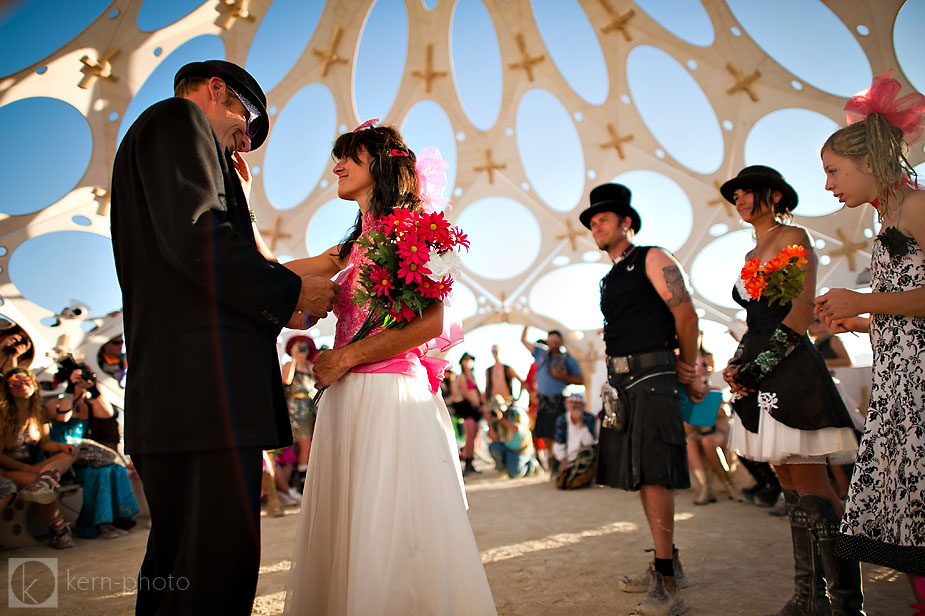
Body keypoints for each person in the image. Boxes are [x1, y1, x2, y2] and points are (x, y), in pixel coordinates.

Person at [109, 59, 340, 614]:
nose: (246, 142)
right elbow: (199, 237)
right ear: (217, 90)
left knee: (178, 565)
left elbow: (206, 256)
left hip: (181, 401)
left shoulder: (170, 145)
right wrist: (289, 295)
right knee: (217, 566)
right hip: (203, 398)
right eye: (246, 123)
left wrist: (290, 285)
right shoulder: (176, 120)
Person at [282, 122, 496, 613]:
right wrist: (241, 223)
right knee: (351, 525)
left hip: (392, 400)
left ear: (381, 166)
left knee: (394, 529)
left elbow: (432, 321)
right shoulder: (352, 247)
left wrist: (345, 357)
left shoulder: (421, 230)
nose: (337, 166)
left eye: (349, 157)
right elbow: (282, 271)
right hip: (346, 401)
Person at [719, 165, 861, 615]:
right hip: (757, 365)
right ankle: (807, 596)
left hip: (788, 364)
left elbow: (800, 312)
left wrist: (759, 366)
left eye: (747, 193)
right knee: (787, 480)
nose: (739, 200)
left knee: (810, 479)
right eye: (736, 195)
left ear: (775, 196)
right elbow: (754, 320)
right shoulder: (751, 251)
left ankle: (844, 604)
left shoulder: (794, 236)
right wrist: (738, 365)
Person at [815, 70, 925, 600]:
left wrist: (864, 302)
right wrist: (862, 321)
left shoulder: (919, 207)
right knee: (904, 500)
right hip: (898, 380)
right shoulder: (887, 221)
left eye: (835, 171)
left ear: (868, 163)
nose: (829, 184)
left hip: (920, 382)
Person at [581, 182, 704, 615]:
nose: (595, 226)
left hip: (653, 376)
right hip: (622, 383)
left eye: (603, 220)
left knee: (654, 473)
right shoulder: (610, 276)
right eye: (592, 222)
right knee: (640, 473)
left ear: (626, 222)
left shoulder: (652, 256)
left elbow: (685, 314)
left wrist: (688, 370)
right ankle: (665, 563)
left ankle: (668, 586)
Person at [47, 362, 139, 539]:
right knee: (99, 474)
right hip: (63, 459)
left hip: (84, 458)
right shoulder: (55, 402)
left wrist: (94, 390)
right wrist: (70, 388)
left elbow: (107, 415)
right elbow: (63, 415)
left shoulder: (89, 404)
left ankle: (114, 521)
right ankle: (94, 524)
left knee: (115, 469)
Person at [0, 368, 78, 548]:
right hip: (12, 468)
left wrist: (60, 446)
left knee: (69, 454)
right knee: (43, 487)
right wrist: (28, 469)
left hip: (37, 466)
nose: (23, 386)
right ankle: (59, 531)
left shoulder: (38, 412)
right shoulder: (2, 416)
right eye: (15, 382)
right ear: (8, 388)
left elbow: (45, 443)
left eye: (26, 381)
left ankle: (45, 480)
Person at [520, 327, 582, 471]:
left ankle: (563, 462)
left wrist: (563, 377)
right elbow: (523, 340)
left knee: (561, 433)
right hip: (544, 401)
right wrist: (527, 323)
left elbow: (580, 379)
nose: (553, 343)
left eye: (556, 341)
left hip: (560, 400)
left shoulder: (567, 358)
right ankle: (553, 459)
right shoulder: (541, 353)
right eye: (551, 341)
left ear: (561, 342)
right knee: (544, 434)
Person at [281, 334, 318, 491]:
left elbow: (317, 384)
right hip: (293, 410)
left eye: (305, 346)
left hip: (308, 409)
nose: (302, 348)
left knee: (306, 445)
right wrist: (296, 360)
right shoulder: (290, 364)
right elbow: (286, 381)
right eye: (298, 345)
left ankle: (301, 482)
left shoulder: (310, 366)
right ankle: (293, 484)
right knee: (296, 446)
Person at [485, 395, 538, 479]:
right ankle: (502, 470)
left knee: (514, 474)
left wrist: (501, 420)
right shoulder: (494, 420)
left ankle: (530, 465)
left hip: (521, 450)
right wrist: (489, 422)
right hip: (507, 447)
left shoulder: (516, 413)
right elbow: (494, 439)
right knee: (494, 447)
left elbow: (517, 429)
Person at [552, 393, 597, 490]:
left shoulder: (589, 418)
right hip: (568, 460)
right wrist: (562, 459)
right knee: (563, 483)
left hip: (584, 458)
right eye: (571, 402)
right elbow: (559, 442)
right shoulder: (562, 420)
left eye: (577, 403)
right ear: (567, 405)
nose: (574, 406)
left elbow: (589, 443)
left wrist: (580, 423)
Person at [454, 352, 483, 475]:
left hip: (475, 408)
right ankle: (467, 463)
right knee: (470, 436)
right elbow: (465, 392)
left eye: (470, 360)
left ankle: (471, 461)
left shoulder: (473, 376)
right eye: (465, 360)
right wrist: (474, 402)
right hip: (468, 408)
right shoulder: (462, 377)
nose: (468, 362)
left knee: (475, 436)